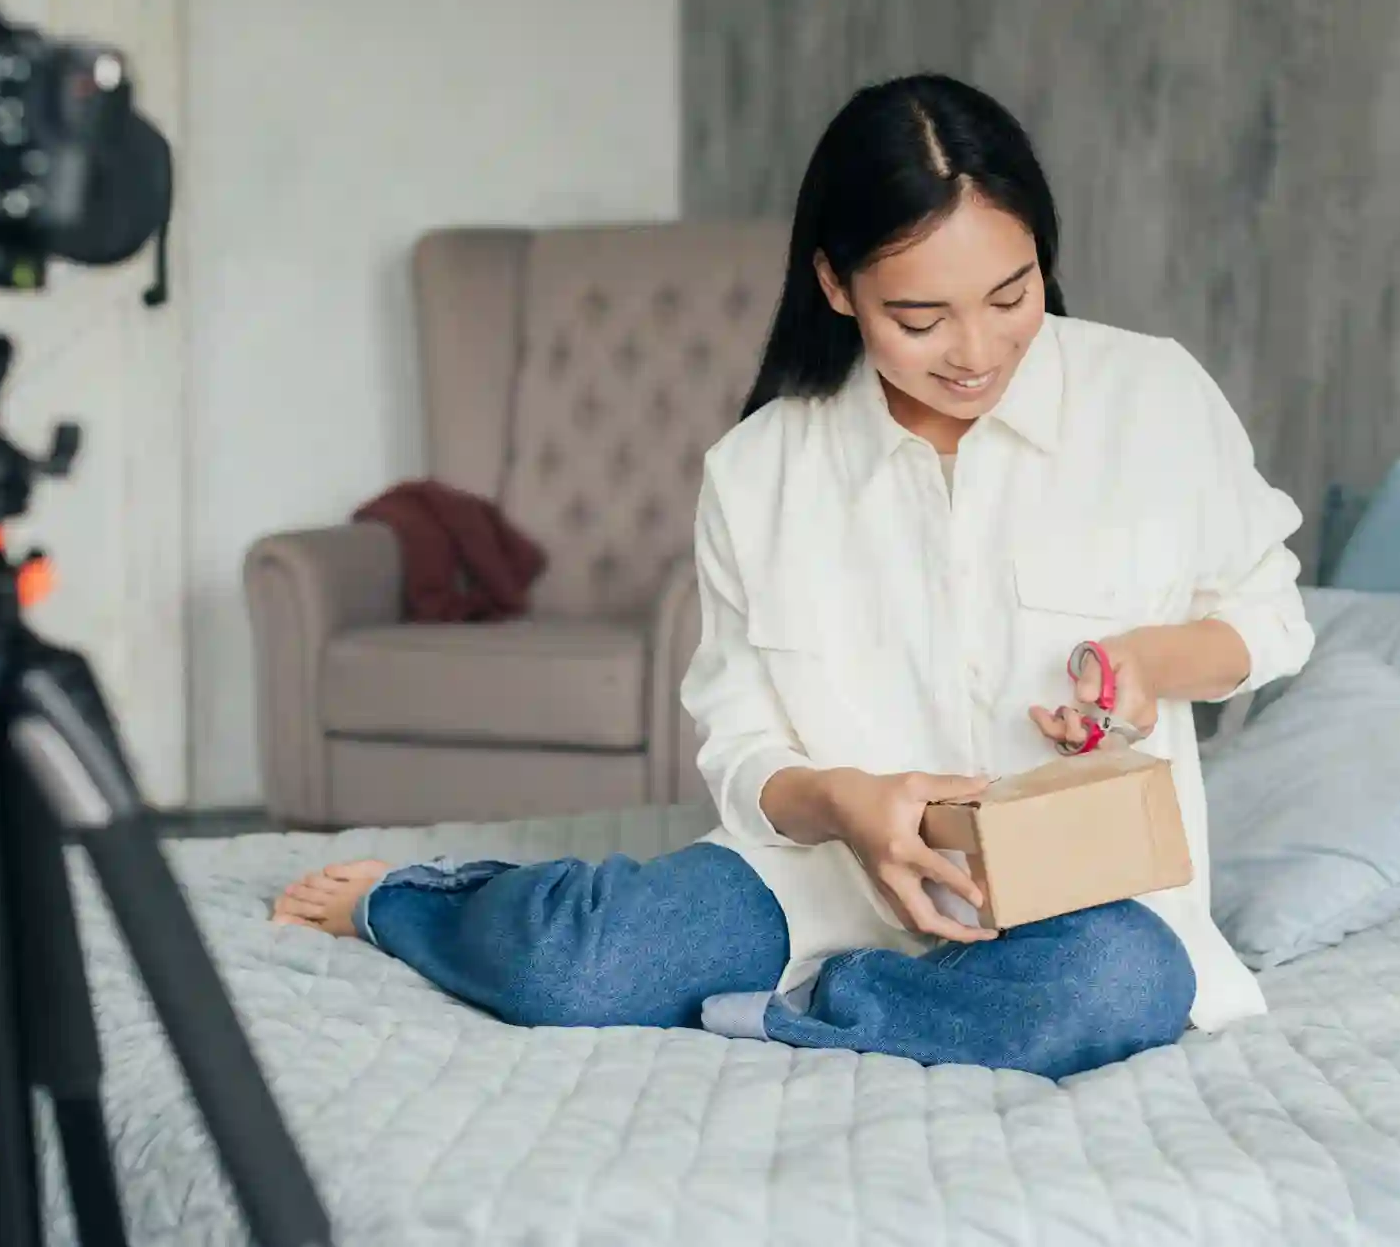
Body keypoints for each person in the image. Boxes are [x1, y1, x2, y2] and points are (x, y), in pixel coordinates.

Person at [270, 73, 1313, 1081]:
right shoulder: (757, 470)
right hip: (817, 882)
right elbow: (739, 741)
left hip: (1068, 907)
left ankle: (789, 1010)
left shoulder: (1151, 397)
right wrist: (846, 803)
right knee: (571, 965)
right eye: (918, 318)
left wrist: (1149, 662)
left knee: (1124, 983)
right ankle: (420, 901)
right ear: (834, 284)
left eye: (1011, 294)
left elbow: (1266, 612)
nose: (975, 352)